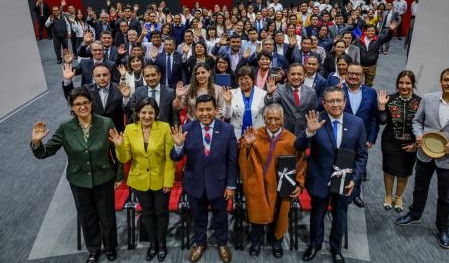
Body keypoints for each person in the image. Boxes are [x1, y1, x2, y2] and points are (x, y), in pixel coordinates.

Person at [396, 67, 449, 249]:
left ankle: (442, 228)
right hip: (425, 154)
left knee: (445, 197)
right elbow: (417, 122)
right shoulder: (428, 99)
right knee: (419, 188)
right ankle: (415, 214)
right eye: (446, 79)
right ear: (441, 81)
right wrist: (418, 135)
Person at [30, 87, 118, 263]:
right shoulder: (65, 128)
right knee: (87, 216)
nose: (82, 107)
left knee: (107, 216)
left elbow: (118, 153)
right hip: (79, 181)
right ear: (72, 107)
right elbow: (45, 152)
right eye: (77, 104)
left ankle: (110, 247)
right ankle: (93, 250)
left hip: (104, 178)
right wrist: (36, 142)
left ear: (91, 104)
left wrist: (119, 176)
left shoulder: (106, 123)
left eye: (85, 102)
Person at [295, 87, 367, 263]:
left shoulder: (357, 123)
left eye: (338, 100)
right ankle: (314, 245)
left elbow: (362, 156)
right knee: (317, 215)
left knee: (340, 216)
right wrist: (309, 132)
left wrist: (355, 180)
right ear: (324, 103)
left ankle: (336, 249)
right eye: (331, 101)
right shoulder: (315, 120)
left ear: (344, 102)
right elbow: (298, 146)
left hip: (344, 182)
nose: (335, 104)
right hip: (319, 178)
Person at [170, 95, 237, 263]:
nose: (205, 113)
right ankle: (200, 243)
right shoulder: (187, 128)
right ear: (195, 111)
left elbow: (232, 161)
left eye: (209, 109)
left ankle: (222, 243)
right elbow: (176, 158)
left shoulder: (227, 130)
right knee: (198, 217)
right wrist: (178, 146)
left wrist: (231, 185)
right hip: (194, 183)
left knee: (221, 217)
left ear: (216, 110)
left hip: (220, 184)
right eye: (201, 110)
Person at [109, 98, 175, 262]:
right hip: (139, 180)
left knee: (161, 212)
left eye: (151, 112)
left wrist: (168, 180)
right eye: (143, 112)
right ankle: (152, 244)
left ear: (156, 114)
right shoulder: (130, 129)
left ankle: (161, 244)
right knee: (147, 213)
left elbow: (170, 158)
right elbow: (125, 159)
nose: (147, 116)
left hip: (161, 179)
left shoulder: (164, 127)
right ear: (137, 113)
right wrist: (119, 146)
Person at [239, 104, 306, 258]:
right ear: (264, 119)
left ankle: (276, 242)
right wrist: (247, 146)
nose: (273, 122)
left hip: (282, 185)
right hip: (260, 185)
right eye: (269, 118)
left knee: (280, 215)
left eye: (277, 119)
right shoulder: (254, 135)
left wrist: (299, 184)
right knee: (257, 214)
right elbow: (243, 158)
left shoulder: (291, 139)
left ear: (283, 119)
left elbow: (301, 162)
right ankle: (256, 242)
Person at [377, 71, 421, 212]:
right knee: (389, 170)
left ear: (413, 84)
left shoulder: (420, 102)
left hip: (410, 144)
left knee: (404, 172)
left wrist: (415, 145)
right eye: (401, 82)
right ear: (397, 83)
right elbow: (382, 121)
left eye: (407, 83)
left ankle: (399, 196)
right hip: (390, 142)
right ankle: (388, 195)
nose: (404, 86)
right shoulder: (389, 98)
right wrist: (381, 106)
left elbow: (424, 125)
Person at [343, 64, 379, 208]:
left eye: (357, 74)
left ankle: (356, 194)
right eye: (350, 73)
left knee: (359, 167)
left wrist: (371, 138)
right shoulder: (338, 91)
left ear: (362, 76)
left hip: (361, 138)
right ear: (346, 74)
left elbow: (375, 117)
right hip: (341, 135)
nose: (353, 76)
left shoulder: (371, 92)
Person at [265, 63, 318, 136]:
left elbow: (313, 114)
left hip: (304, 134)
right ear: (288, 76)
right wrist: (270, 94)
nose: (296, 77)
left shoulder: (311, 92)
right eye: (293, 74)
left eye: (299, 74)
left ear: (304, 76)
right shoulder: (280, 88)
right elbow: (270, 104)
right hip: (284, 134)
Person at [221, 66, 267, 140]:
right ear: (237, 81)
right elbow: (227, 116)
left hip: (258, 134)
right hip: (237, 136)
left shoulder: (263, 94)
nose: (243, 81)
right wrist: (228, 102)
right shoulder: (231, 93)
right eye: (241, 79)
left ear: (252, 80)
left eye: (246, 78)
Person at [354, 22, 396, 87]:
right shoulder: (358, 40)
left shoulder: (378, 39)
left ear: (375, 32)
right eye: (369, 31)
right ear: (365, 32)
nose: (371, 32)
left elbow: (387, 38)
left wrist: (391, 30)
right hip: (360, 65)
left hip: (372, 66)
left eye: (373, 31)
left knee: (369, 84)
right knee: (357, 81)